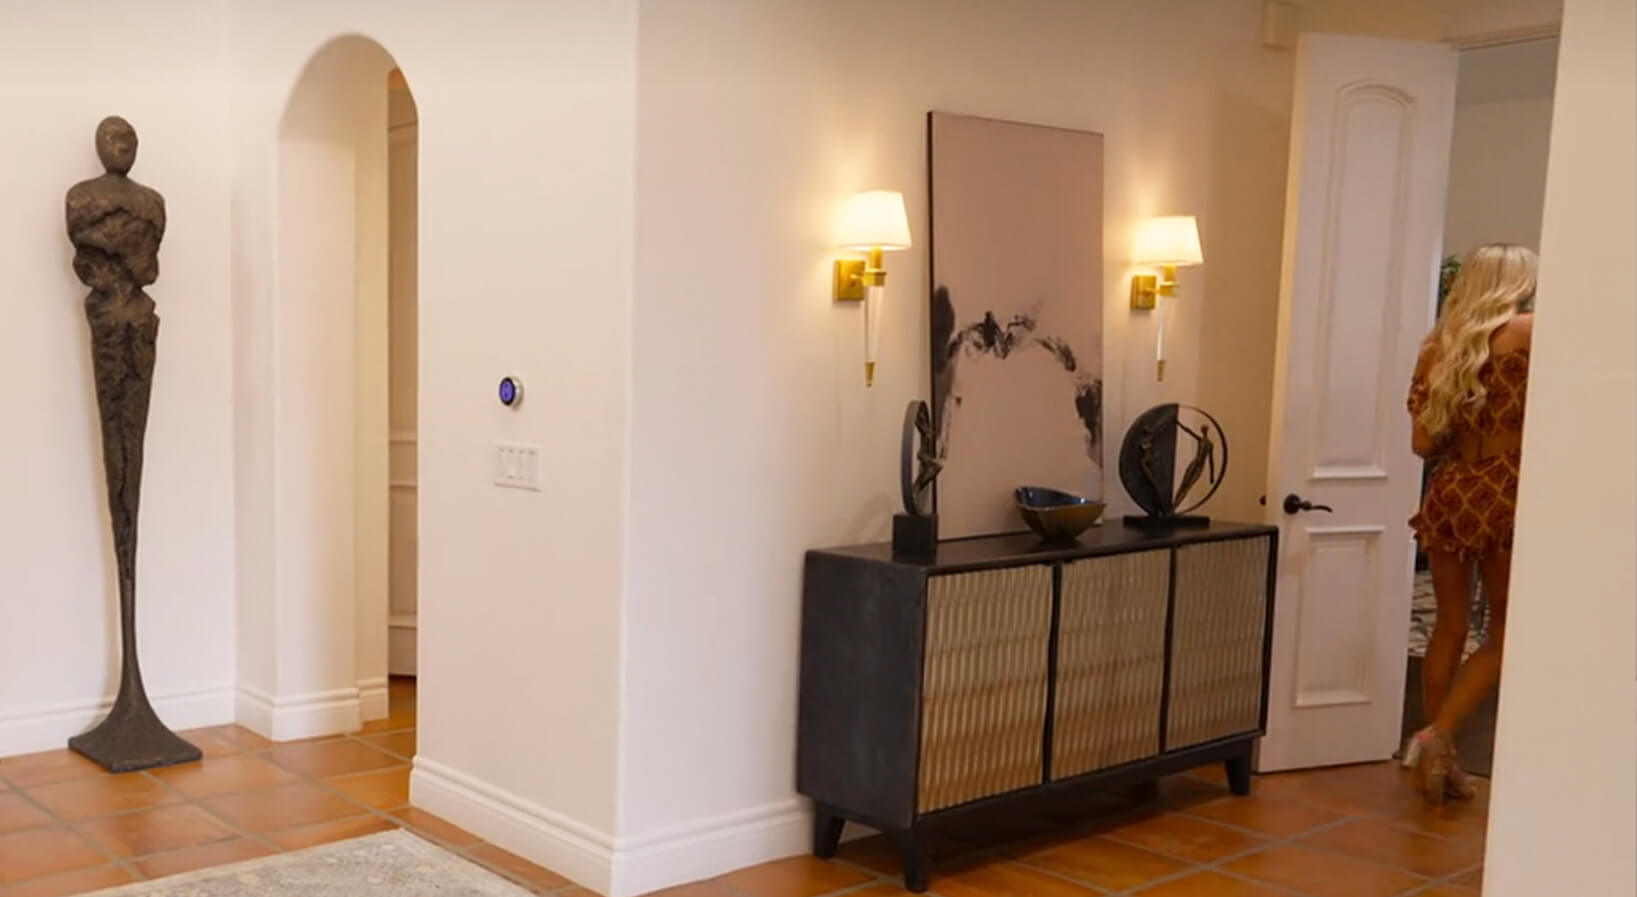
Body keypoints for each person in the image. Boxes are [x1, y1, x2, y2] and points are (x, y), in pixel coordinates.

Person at [1405, 243, 1537, 804]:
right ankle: (1441, 735)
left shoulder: (1439, 349)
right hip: (1508, 492)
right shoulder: (1534, 332)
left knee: (1449, 627)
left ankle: (1438, 766)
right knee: (1507, 631)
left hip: (1453, 490)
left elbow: (1421, 445)